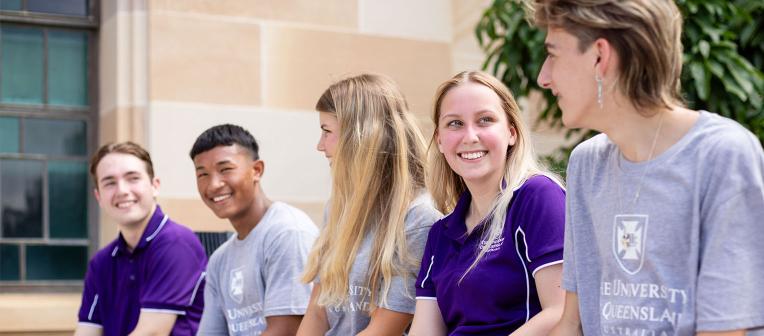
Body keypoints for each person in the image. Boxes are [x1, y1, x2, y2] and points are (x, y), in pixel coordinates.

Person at [530, 1, 764, 335]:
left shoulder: (722, 155)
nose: (543, 78)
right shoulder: (586, 164)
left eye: (552, 54)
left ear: (600, 57)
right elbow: (571, 323)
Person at [409, 70, 566, 335]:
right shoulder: (441, 234)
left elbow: (561, 311)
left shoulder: (538, 196)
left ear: (511, 133)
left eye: (485, 120)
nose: (470, 136)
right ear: (439, 139)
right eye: (455, 124)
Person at [296, 74, 442, 336]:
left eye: (327, 131)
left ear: (361, 138)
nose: (320, 146)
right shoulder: (338, 207)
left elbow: (385, 329)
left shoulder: (419, 217)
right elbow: (317, 313)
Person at [191, 124, 319, 335]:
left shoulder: (288, 233)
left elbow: (287, 331)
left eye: (225, 169)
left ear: (256, 170)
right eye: (202, 174)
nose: (213, 185)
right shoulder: (219, 260)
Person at [75, 141, 207, 336]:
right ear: (99, 197)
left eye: (133, 178)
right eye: (110, 182)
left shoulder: (177, 244)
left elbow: (152, 333)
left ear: (155, 186)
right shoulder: (101, 262)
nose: (122, 190)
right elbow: (87, 332)